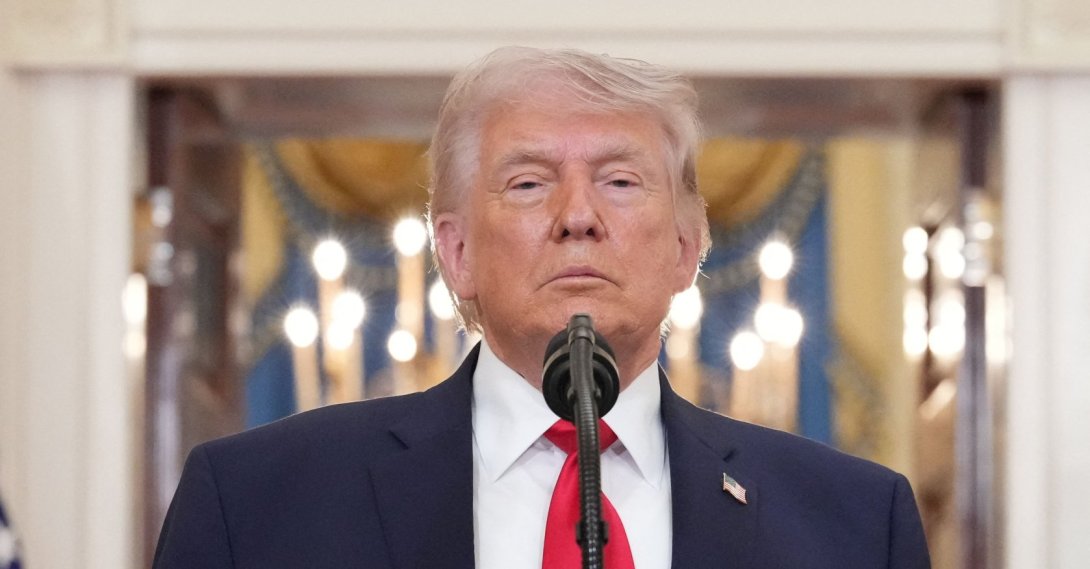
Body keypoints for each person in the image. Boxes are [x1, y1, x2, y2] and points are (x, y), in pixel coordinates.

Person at [153, 46, 930, 569]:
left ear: (688, 248)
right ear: (454, 252)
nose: (578, 215)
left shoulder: (855, 523)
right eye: (528, 183)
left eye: (621, 182)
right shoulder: (258, 503)